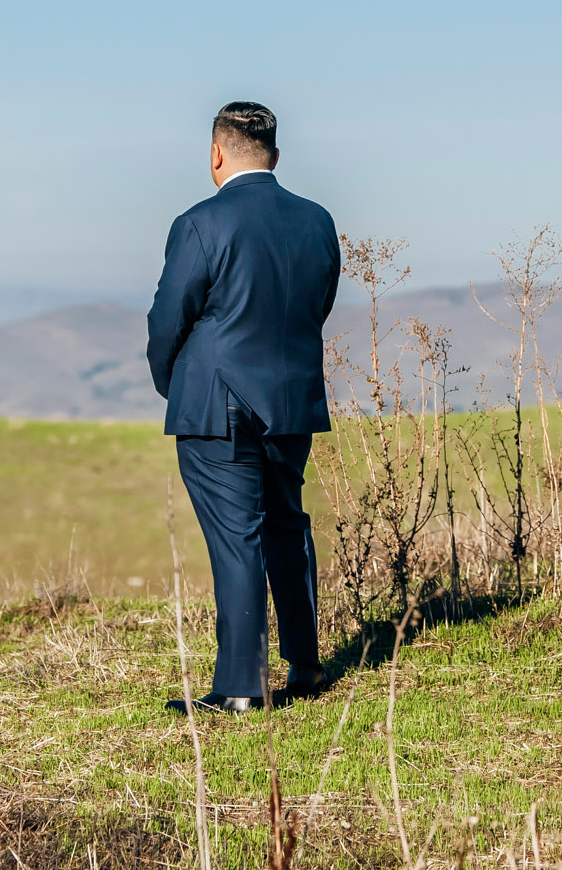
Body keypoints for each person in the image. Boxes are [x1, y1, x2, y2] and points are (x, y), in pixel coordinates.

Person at [147, 101, 341, 714]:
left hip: (215, 404)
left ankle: (238, 687)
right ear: (275, 156)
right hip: (291, 401)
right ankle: (306, 664)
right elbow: (320, 303)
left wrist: (171, 381)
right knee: (287, 524)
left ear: (215, 154)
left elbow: (167, 319)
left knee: (238, 540)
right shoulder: (317, 222)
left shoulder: (200, 224)